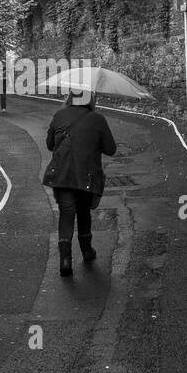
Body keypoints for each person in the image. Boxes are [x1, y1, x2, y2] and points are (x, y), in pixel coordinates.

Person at [43, 88, 117, 276]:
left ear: (70, 97)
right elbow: (111, 149)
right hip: (86, 175)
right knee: (84, 211)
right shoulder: (97, 119)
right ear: (90, 99)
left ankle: (65, 259)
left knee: (66, 214)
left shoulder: (59, 115)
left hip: (61, 175)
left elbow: (50, 145)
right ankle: (86, 250)